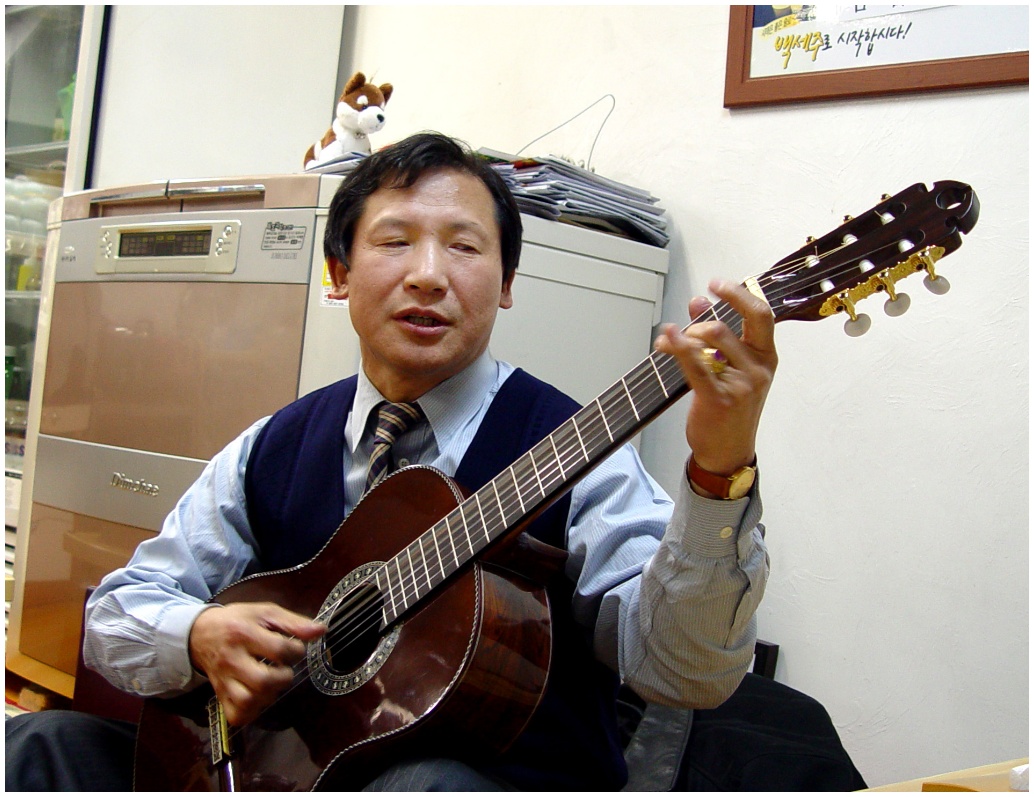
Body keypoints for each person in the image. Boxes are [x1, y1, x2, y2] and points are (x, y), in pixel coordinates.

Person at [6, 132, 778, 791]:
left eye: (465, 246)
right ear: (339, 274)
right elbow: (116, 615)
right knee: (40, 745)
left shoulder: (576, 447)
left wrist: (719, 471)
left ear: (507, 284)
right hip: (266, 770)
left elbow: (686, 672)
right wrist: (198, 632)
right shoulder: (274, 443)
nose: (429, 274)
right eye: (395, 240)